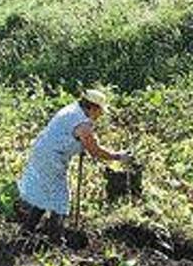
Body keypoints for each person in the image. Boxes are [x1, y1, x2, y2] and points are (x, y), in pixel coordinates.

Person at [17, 89, 130, 239]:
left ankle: (27, 230)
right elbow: (95, 151)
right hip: (51, 158)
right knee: (61, 198)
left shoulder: (72, 110)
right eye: (100, 111)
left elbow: (72, 136)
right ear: (93, 107)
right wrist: (117, 156)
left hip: (42, 152)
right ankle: (55, 238)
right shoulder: (82, 124)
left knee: (46, 192)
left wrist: (80, 145)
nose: (101, 115)